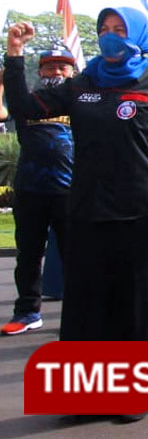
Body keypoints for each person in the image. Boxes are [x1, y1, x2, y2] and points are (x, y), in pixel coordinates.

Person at [4, 9, 148, 421]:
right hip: (87, 212)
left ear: (139, 36)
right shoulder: (82, 84)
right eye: (104, 31)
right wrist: (14, 54)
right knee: (88, 305)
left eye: (119, 30)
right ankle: (87, 395)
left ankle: (135, 393)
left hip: (141, 216)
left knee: (136, 307)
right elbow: (22, 105)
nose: (110, 37)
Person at [0, 48, 77, 335]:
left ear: (73, 73)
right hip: (31, 190)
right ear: (40, 73)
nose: (56, 72)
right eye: (49, 68)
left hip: (70, 192)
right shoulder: (28, 104)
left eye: (62, 68)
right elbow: (3, 111)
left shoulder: (81, 104)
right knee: (29, 255)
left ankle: (79, 313)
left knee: (76, 256)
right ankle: (27, 313)